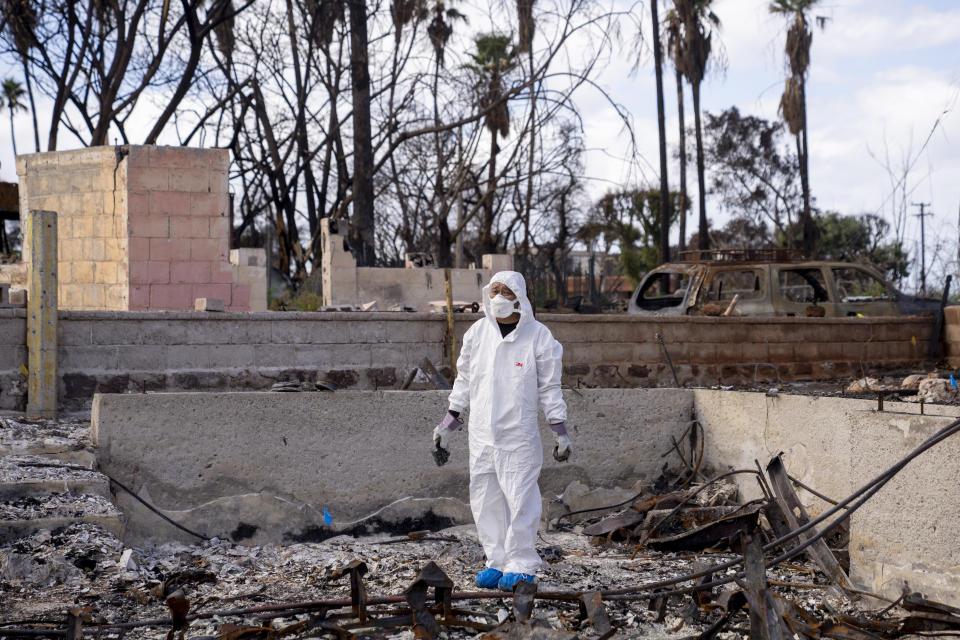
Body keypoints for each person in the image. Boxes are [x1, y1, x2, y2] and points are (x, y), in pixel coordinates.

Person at [432, 270, 571, 591]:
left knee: (521, 499)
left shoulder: (539, 337)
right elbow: (464, 381)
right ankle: (496, 560)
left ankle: (521, 562)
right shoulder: (477, 334)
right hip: (481, 437)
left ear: (520, 297)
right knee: (485, 500)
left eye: (505, 292)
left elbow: (550, 388)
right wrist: (447, 424)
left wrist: (560, 431)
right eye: (493, 291)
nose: (498, 298)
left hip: (518, 438)